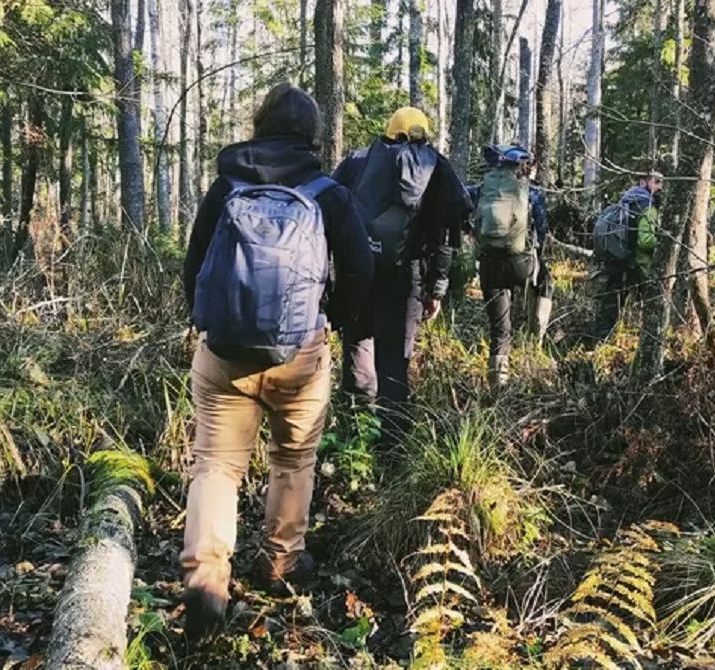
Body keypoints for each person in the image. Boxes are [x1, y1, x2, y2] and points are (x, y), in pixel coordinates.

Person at [179, 83, 373, 639]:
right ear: (311, 132)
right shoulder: (327, 192)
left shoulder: (226, 184)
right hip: (300, 352)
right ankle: (280, 564)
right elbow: (359, 271)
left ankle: (206, 580)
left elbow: (195, 264)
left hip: (222, 353)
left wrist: (208, 318)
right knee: (292, 459)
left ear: (259, 126)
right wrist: (329, 318)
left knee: (215, 465)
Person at [333, 107, 472, 420]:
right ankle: (392, 448)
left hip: (358, 271)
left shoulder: (358, 161)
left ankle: (355, 436)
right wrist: (436, 289)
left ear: (389, 130)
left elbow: (335, 213)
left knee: (357, 347)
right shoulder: (435, 168)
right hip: (405, 278)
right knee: (394, 359)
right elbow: (444, 236)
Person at [466, 144, 553, 387]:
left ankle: (498, 384)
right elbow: (542, 229)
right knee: (546, 283)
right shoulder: (532, 192)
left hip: (489, 266)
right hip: (521, 263)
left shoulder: (481, 190)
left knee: (499, 328)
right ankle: (536, 342)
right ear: (523, 167)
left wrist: (472, 232)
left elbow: (460, 209)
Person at [591, 170, 663, 340]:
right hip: (637, 265)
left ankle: (601, 339)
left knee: (611, 303)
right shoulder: (647, 206)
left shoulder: (627, 200)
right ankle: (642, 340)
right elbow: (645, 241)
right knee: (649, 304)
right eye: (657, 182)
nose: (660, 187)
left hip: (617, 259)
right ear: (642, 182)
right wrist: (663, 242)